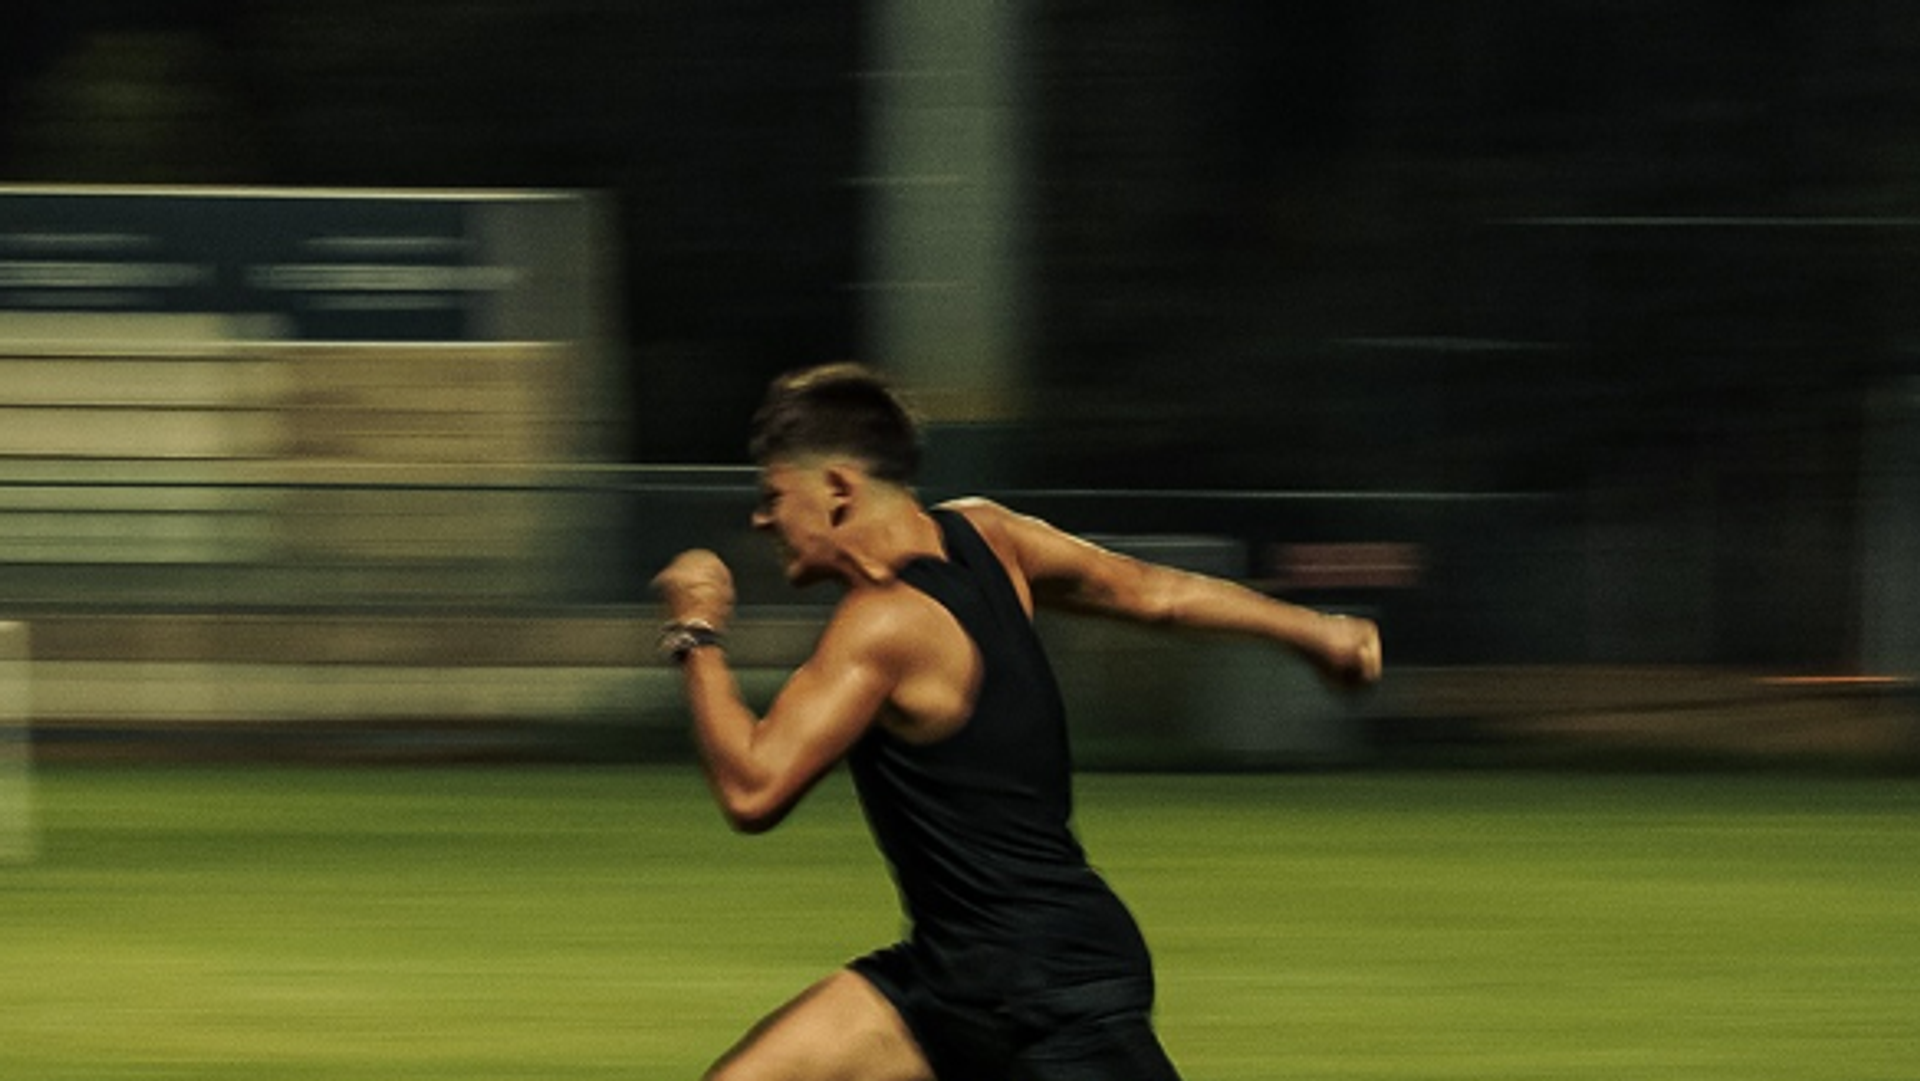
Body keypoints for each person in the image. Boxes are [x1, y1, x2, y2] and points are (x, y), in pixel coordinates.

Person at [652, 362, 1382, 1081]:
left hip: (1046, 990)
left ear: (838, 488)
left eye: (774, 495)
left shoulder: (883, 624)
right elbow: (1153, 592)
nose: (762, 519)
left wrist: (697, 631)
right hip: (953, 974)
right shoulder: (989, 535)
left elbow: (753, 789)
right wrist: (1317, 633)